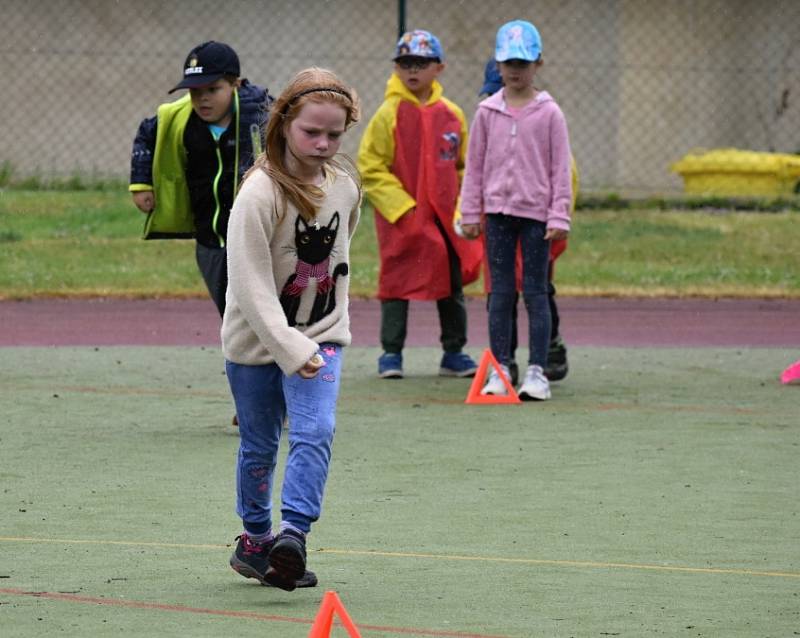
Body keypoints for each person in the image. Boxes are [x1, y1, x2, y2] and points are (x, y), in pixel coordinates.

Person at [222, 68, 361, 592]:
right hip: (256, 341)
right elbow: (252, 284)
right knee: (259, 444)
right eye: (312, 133)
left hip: (322, 334)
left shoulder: (345, 188)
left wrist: (313, 337)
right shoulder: (258, 194)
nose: (323, 144)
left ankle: (293, 537)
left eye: (334, 134)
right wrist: (286, 345)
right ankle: (256, 542)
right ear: (283, 124)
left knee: (316, 430)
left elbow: (342, 250)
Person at [358, 29, 483, 380]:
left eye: (421, 63)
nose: (413, 71)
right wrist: (402, 207)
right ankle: (391, 353)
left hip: (446, 219)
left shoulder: (452, 115)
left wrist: (463, 207)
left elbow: (464, 165)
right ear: (396, 69)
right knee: (396, 282)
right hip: (402, 219)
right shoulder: (388, 114)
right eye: (405, 64)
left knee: (451, 282)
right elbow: (371, 165)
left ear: (438, 68)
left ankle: (454, 352)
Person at [460, 20, 573, 401]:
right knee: (500, 294)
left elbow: (560, 169)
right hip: (497, 216)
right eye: (509, 62)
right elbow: (474, 166)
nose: (515, 70)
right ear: (497, 63)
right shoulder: (486, 113)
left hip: (538, 218)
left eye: (523, 63)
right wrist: (471, 213)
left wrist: (559, 215)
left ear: (538, 63)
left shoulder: (550, 113)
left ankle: (538, 372)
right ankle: (501, 368)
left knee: (536, 293)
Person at [129, 41, 271, 318]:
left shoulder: (262, 114)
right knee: (228, 309)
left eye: (213, 89)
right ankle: (241, 359)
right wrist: (141, 183)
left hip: (256, 235)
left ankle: (269, 357)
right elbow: (146, 134)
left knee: (258, 306)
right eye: (195, 91)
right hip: (210, 237)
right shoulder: (179, 118)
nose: (202, 99)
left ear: (236, 84)